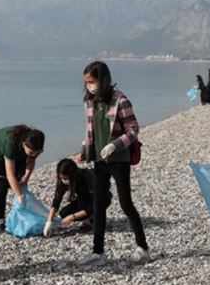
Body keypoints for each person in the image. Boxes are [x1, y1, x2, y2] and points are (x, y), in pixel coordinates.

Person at [77, 61, 148, 267]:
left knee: (126, 204)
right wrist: (84, 151)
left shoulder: (120, 100)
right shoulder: (89, 102)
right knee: (98, 205)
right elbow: (90, 130)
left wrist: (115, 146)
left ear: (102, 79)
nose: (89, 85)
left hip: (118, 159)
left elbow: (133, 130)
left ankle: (142, 247)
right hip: (98, 160)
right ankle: (98, 252)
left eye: (92, 81)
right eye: (87, 82)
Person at [0, 124, 45, 233]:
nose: (34, 154)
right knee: (2, 183)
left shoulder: (35, 144)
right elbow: (10, 175)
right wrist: (20, 196)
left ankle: (23, 215)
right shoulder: (11, 144)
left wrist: (26, 177)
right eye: (31, 152)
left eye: (37, 153)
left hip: (19, 152)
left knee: (20, 181)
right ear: (24, 144)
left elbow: (31, 161)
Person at [44, 159, 100, 235]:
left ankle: (91, 220)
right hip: (83, 199)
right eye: (62, 178)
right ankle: (87, 218)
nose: (64, 180)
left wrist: (72, 217)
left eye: (66, 178)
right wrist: (49, 222)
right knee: (64, 213)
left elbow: (91, 205)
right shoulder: (62, 181)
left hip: (99, 198)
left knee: (91, 207)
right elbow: (56, 201)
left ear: (73, 175)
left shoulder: (83, 178)